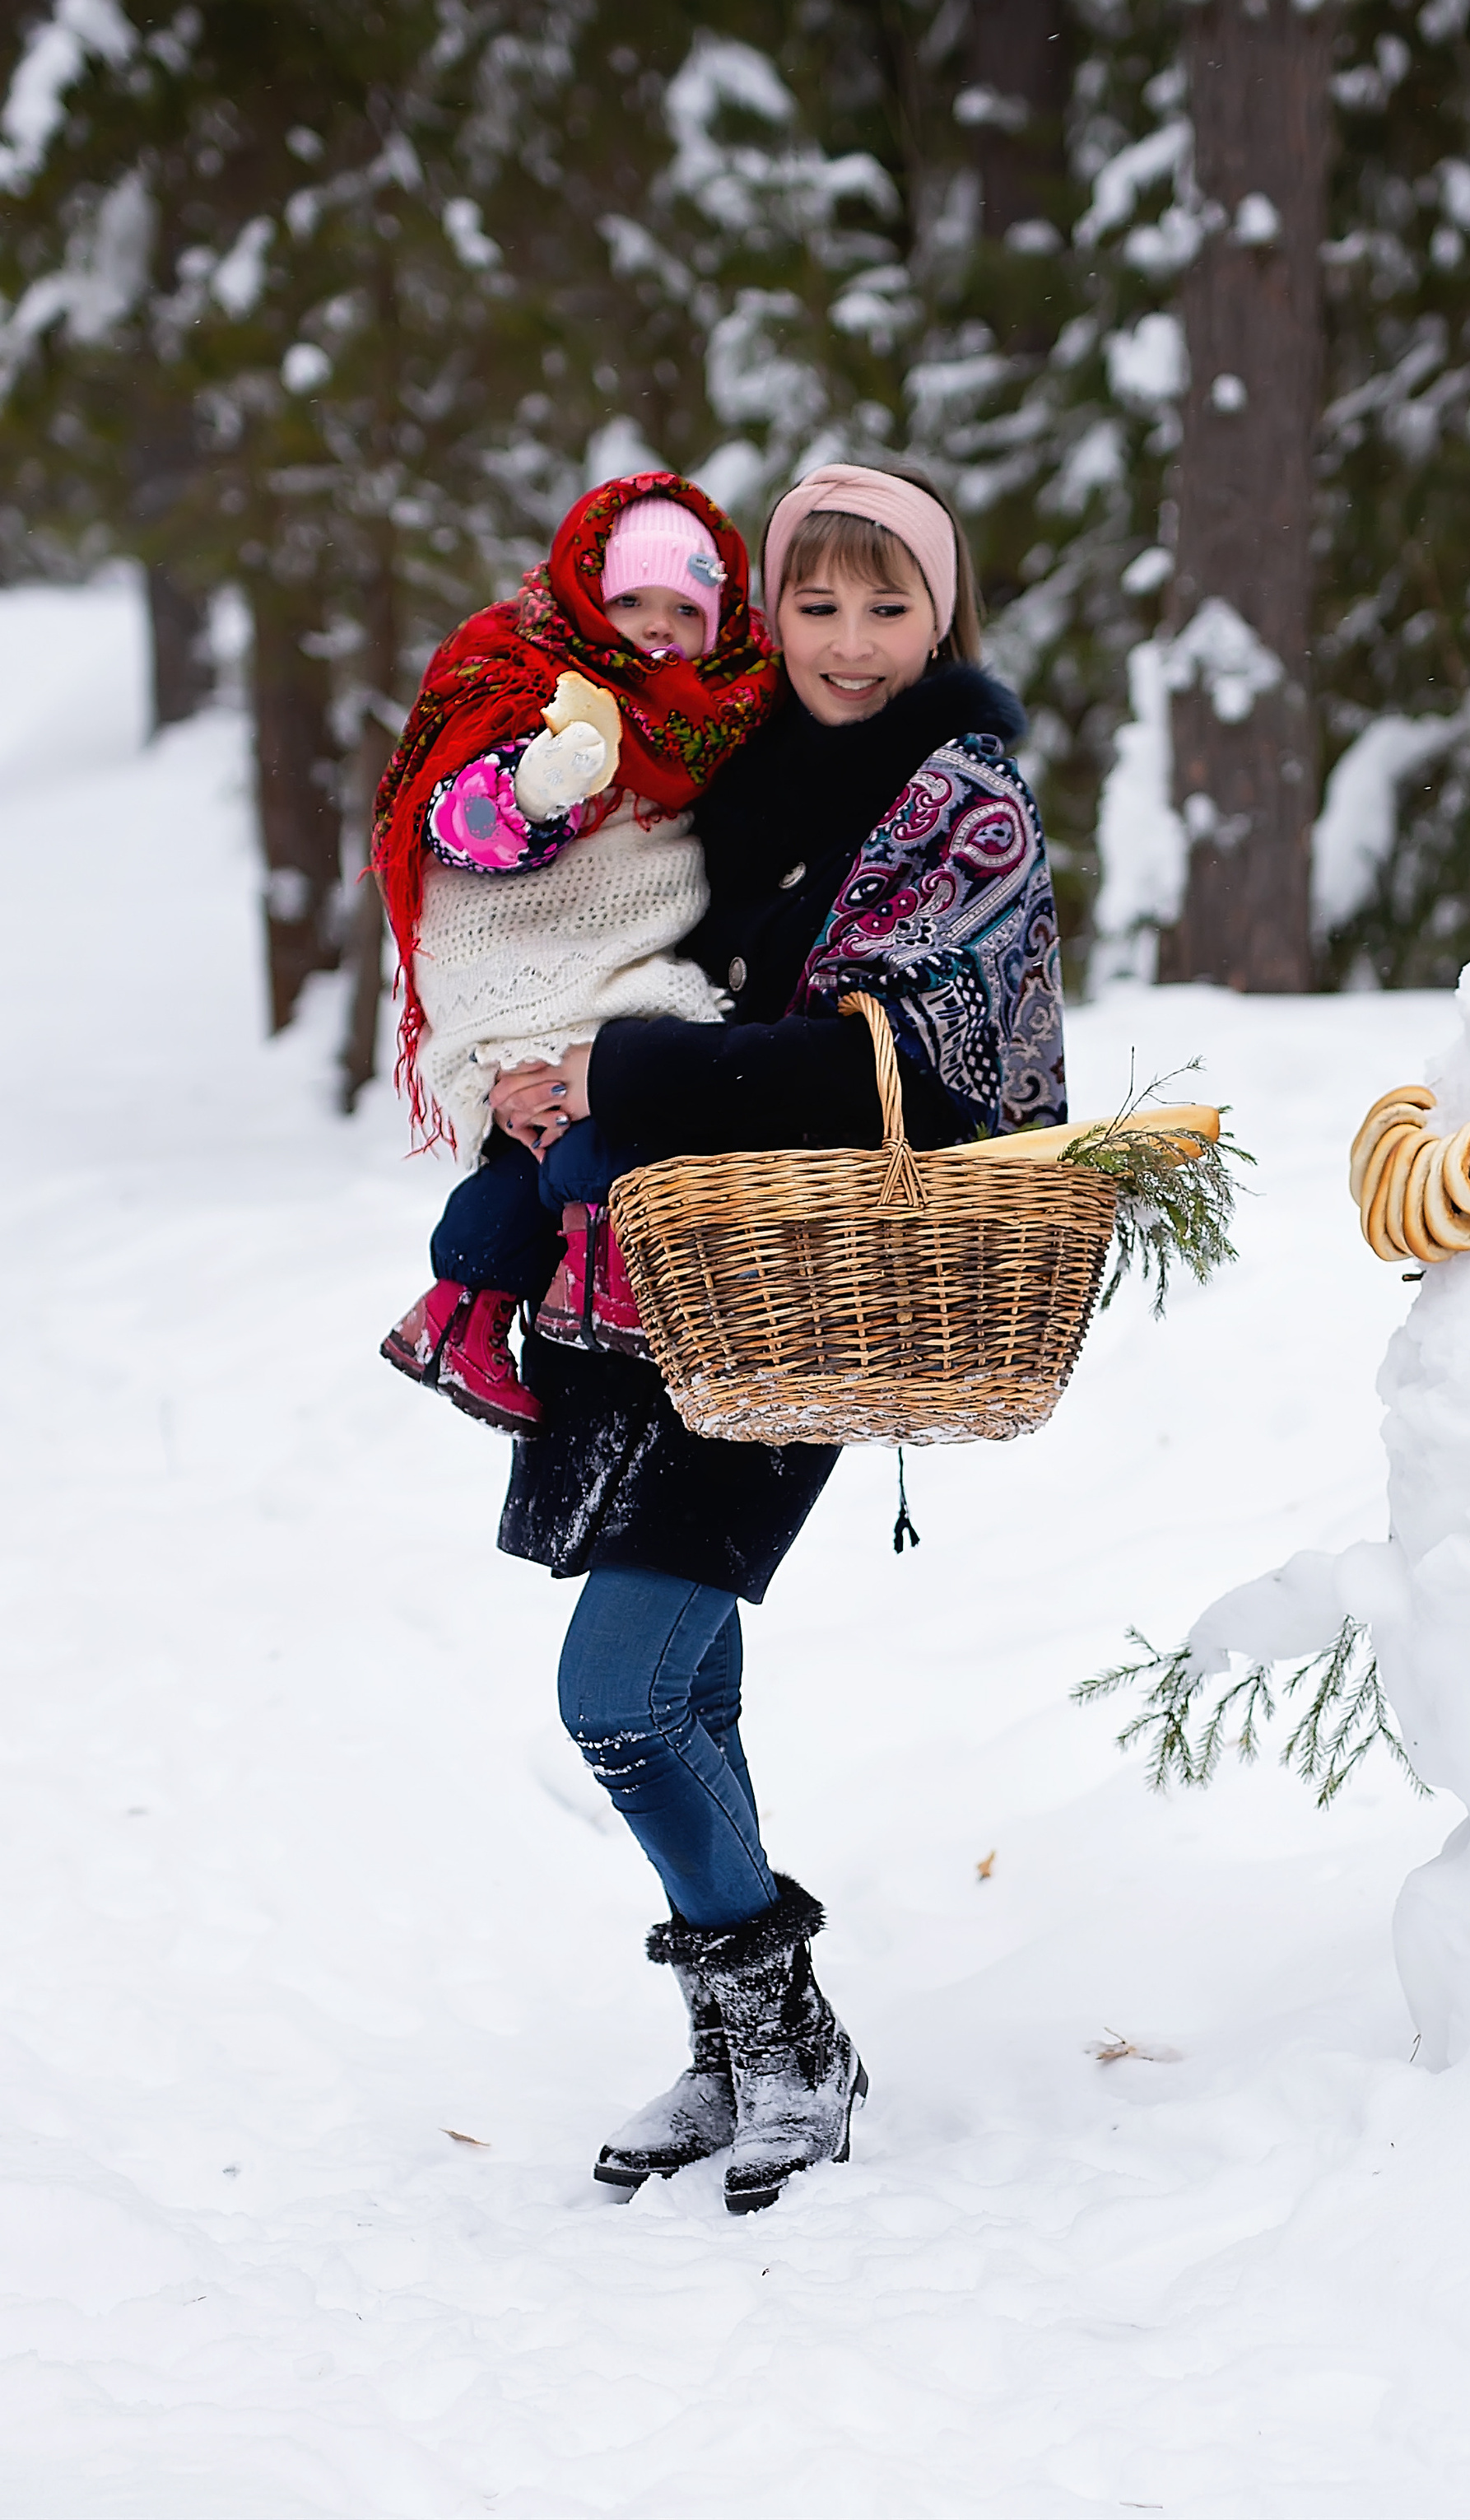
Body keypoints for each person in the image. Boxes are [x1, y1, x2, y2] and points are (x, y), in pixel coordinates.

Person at [483, 462, 1066, 2214]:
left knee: (618, 1692)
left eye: (889, 605)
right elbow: (628, 965)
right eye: (814, 604)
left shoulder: (965, 809)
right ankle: (748, 2050)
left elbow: (907, 1072)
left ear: (942, 615)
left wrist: (632, 1072)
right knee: (694, 1675)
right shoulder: (718, 778)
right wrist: (543, 1064)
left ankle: (783, 2024)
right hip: (658, 1279)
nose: (850, 641)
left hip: (817, 1281)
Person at [372, 474, 775, 1432]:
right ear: (592, 596)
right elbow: (451, 823)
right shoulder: (524, 673)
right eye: (632, 601)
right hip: (522, 964)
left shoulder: (722, 709)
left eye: (687, 609)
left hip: (625, 960)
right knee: (627, 1113)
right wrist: (537, 789)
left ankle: (462, 1310)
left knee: (524, 1164)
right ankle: (601, 1271)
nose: (658, 629)